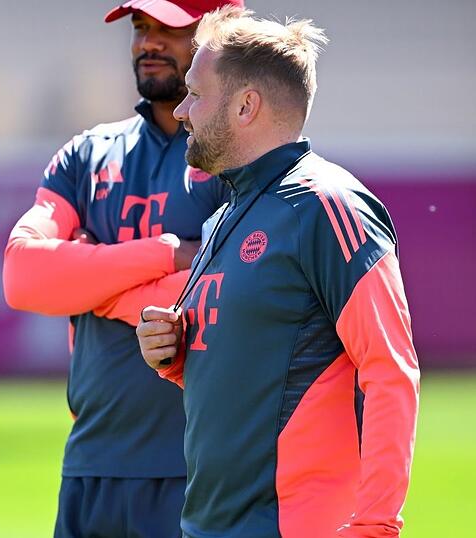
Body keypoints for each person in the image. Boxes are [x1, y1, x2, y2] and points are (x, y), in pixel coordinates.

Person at [136, 7, 419, 537]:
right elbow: (258, 361)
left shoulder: (327, 206)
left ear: (246, 105)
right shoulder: (224, 216)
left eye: (196, 93)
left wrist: (376, 524)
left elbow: (391, 370)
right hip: (207, 525)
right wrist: (171, 354)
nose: (182, 111)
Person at [3, 1, 242, 536]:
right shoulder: (87, 155)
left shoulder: (241, 158)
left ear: (220, 39)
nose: (147, 42)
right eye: (140, 27)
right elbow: (22, 276)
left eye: (169, 30)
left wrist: (91, 282)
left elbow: (237, 293)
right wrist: (167, 253)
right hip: (91, 469)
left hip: (205, 472)